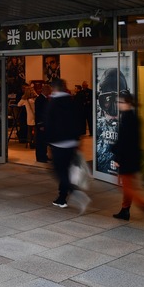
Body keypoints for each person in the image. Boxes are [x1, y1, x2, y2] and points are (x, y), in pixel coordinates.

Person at [111, 93, 144, 227]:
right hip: (133, 158)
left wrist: (117, 157)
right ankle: (124, 210)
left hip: (127, 158)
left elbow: (124, 142)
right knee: (127, 186)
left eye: (120, 102)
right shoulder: (133, 117)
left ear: (127, 103)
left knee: (125, 187)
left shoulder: (128, 119)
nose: (117, 104)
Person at [44, 78, 84, 208]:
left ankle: (72, 190)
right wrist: (78, 139)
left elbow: (49, 124)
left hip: (58, 143)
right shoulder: (72, 101)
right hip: (71, 142)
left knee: (59, 170)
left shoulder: (53, 103)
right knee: (66, 169)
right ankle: (62, 197)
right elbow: (79, 120)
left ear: (53, 88)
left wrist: (48, 142)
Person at [34, 82, 51, 162]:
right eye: (49, 90)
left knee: (44, 140)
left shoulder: (44, 99)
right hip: (41, 124)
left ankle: (44, 155)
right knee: (40, 141)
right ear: (46, 90)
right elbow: (39, 113)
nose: (50, 91)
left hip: (45, 123)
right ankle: (40, 157)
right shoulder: (40, 99)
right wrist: (41, 124)